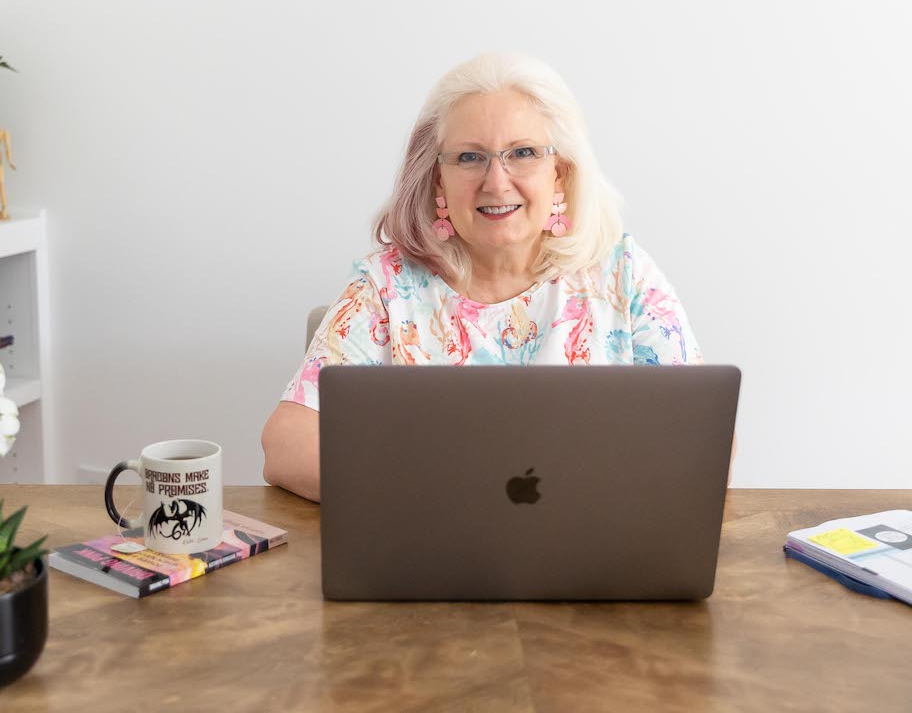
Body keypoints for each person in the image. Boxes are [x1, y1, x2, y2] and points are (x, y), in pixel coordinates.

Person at [261, 53, 734, 502]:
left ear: (560, 172)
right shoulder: (386, 286)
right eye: (469, 157)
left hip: (593, 556)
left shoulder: (622, 275)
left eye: (523, 152)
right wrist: (453, 496)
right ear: (436, 178)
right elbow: (287, 446)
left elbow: (707, 442)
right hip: (433, 553)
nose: (496, 181)